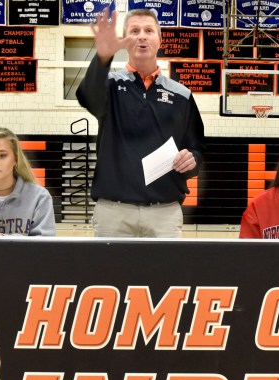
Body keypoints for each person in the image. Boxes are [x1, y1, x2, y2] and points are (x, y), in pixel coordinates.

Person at [76, 8, 205, 237]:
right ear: (125, 41)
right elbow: (86, 97)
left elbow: (196, 149)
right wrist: (102, 58)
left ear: (160, 39)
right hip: (113, 213)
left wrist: (191, 160)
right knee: (111, 274)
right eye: (134, 31)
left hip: (164, 213)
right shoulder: (110, 86)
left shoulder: (182, 95)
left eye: (148, 30)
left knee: (165, 274)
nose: (142, 36)